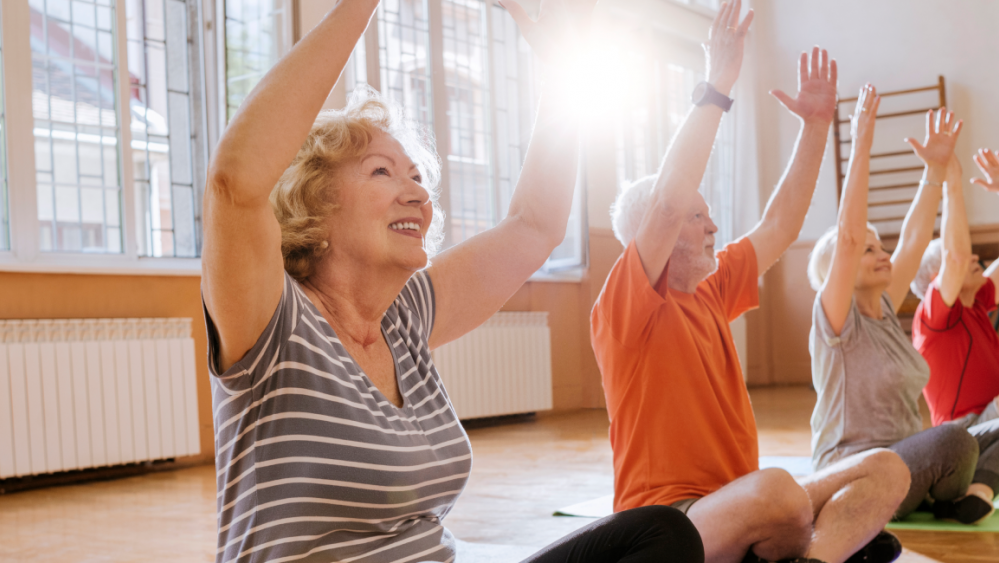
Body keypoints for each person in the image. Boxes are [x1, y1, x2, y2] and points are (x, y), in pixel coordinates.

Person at [201, 0, 708, 560]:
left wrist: (563, 76)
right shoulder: (274, 324)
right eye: (382, 172)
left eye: (417, 177)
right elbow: (235, 183)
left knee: (661, 535)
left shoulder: (406, 315)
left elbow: (535, 225)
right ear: (314, 205)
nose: (417, 193)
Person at [591, 3, 910, 561]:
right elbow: (666, 204)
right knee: (779, 494)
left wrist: (815, 127)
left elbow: (782, 224)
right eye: (698, 217)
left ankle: (810, 558)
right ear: (658, 234)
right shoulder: (627, 304)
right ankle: (819, 543)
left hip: (744, 502)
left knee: (885, 468)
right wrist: (717, 84)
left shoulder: (713, 288)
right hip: (673, 523)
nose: (713, 225)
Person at [807, 90, 997, 525]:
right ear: (840, 269)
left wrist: (934, 171)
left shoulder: (887, 312)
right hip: (856, 472)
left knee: (973, 436)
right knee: (952, 442)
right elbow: (850, 234)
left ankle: (963, 492)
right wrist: (862, 142)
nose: (879, 252)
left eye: (879, 246)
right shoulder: (835, 321)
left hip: (911, 461)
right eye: (866, 249)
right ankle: (949, 490)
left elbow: (913, 239)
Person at [905, 148, 999, 523]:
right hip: (960, 437)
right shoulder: (934, 319)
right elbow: (957, 258)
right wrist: (953, 182)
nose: (975, 257)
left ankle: (978, 491)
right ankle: (975, 488)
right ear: (936, 279)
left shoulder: (978, 303)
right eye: (962, 257)